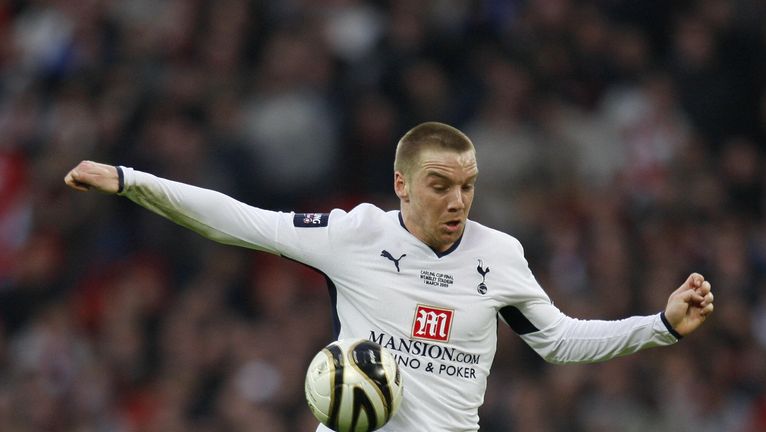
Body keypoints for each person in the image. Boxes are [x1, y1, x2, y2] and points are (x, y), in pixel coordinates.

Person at [64, 122, 714, 432]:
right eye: (440, 186)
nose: (458, 201)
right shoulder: (358, 235)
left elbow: (560, 341)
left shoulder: (501, 256)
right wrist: (130, 181)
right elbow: (241, 222)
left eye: (467, 186)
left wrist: (660, 327)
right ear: (402, 185)